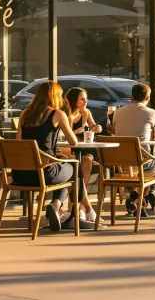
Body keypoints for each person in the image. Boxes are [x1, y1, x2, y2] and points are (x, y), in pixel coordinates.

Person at [16, 81, 92, 232]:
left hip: (22, 174)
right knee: (73, 167)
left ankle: (62, 208)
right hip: (44, 173)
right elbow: (73, 142)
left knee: (64, 165)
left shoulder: (24, 114)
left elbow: (19, 143)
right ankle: (61, 207)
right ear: (55, 96)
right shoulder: (57, 114)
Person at [111, 82, 155, 217]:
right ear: (148, 98)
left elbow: (117, 133)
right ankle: (152, 193)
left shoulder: (117, 113)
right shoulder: (152, 113)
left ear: (131, 98)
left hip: (121, 163)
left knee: (137, 168)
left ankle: (137, 197)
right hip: (143, 162)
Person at [62, 87, 102, 223]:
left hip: (82, 148)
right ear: (74, 100)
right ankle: (82, 207)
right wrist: (77, 130)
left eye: (86, 98)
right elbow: (62, 136)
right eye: (82, 99)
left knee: (87, 160)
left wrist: (96, 128)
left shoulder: (86, 112)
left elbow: (93, 126)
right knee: (78, 165)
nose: (85, 101)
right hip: (66, 149)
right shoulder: (64, 114)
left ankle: (76, 203)